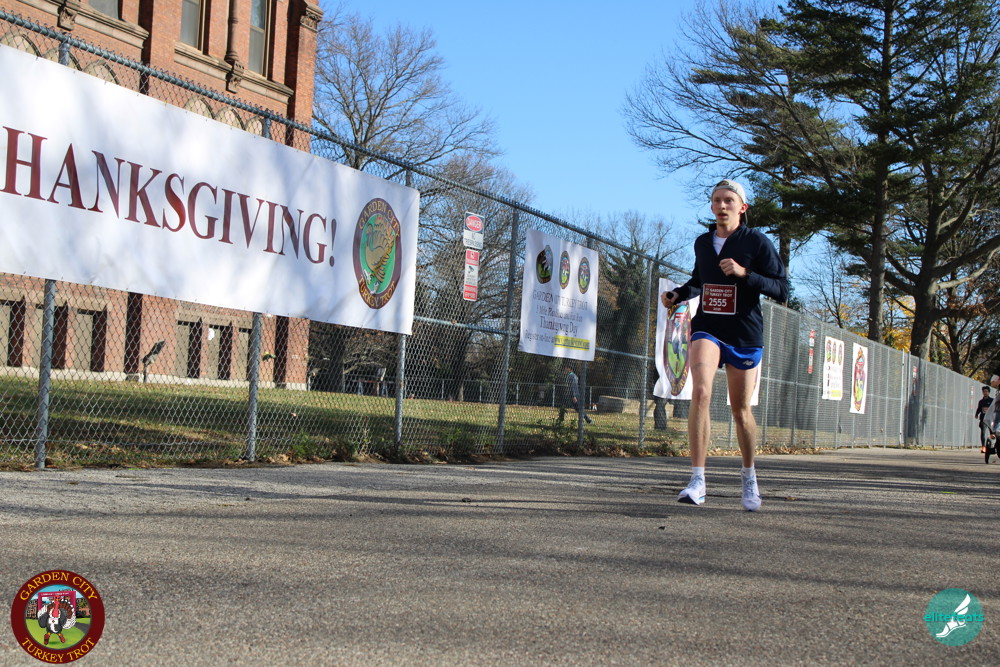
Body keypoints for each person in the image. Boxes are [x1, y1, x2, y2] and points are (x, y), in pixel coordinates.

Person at [661, 179, 789, 511]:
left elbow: (782, 289)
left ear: (742, 208)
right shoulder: (703, 243)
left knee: (740, 410)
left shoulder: (756, 241)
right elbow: (699, 281)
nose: (721, 206)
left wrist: (745, 274)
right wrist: (678, 294)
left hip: (744, 334)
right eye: (716, 200)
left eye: (728, 200)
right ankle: (697, 480)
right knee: (701, 392)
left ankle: (749, 478)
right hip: (708, 328)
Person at [975, 386, 993, 454]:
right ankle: (983, 447)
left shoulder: (992, 400)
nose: (985, 393)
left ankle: (993, 444)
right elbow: (979, 408)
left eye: (986, 391)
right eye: (984, 391)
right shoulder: (981, 401)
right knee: (983, 433)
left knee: (993, 433)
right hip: (983, 419)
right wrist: (976, 414)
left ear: (989, 392)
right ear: (982, 392)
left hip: (990, 419)